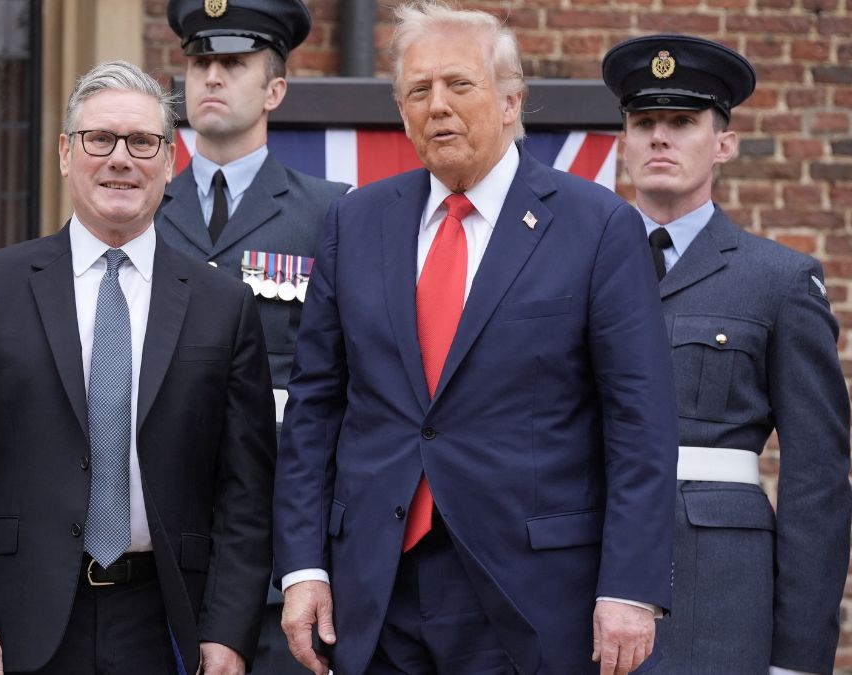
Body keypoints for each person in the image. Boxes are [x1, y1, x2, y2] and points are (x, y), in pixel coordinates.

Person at [273, 3, 680, 674]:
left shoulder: (596, 226)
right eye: (418, 90)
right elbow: (315, 408)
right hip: (376, 589)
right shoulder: (356, 222)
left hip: (530, 590)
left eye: (459, 85)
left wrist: (631, 586)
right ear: (402, 112)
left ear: (512, 99)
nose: (437, 106)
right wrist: (304, 567)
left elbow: (639, 423)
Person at [0, 60, 276, 675]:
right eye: (99, 139)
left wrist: (230, 630)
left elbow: (245, 492)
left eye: (142, 142)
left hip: (169, 626)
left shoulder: (225, 305)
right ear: (64, 153)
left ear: (169, 162)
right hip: (16, 624)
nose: (120, 158)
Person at [603, 34, 852, 675]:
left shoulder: (779, 280)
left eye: (683, 122)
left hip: (717, 596)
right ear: (622, 143)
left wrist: (798, 658)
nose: (660, 137)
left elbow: (817, 480)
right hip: (580, 578)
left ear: (723, 145)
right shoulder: (576, 270)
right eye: (644, 122)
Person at [157, 1, 352, 671]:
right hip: (159, 542)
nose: (211, 77)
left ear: (274, 88)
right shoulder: (141, 211)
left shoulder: (332, 214)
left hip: (280, 548)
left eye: (233, 64)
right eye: (199, 61)